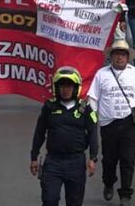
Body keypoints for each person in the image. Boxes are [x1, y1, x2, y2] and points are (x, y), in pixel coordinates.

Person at [86, 40, 135, 205]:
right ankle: (108, 183)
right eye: (116, 54)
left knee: (128, 160)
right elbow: (92, 98)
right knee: (109, 159)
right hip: (108, 124)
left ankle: (125, 194)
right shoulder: (102, 74)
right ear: (111, 56)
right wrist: (92, 119)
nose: (120, 58)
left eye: (123, 54)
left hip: (129, 123)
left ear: (128, 57)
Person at [29, 66, 99, 206]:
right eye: (62, 86)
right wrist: (34, 157)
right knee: (49, 200)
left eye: (69, 86)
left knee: (74, 202)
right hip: (53, 162)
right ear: (57, 87)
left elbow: (93, 134)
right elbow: (39, 133)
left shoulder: (85, 108)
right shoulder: (49, 107)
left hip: (76, 162)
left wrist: (93, 158)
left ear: (75, 88)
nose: (65, 89)